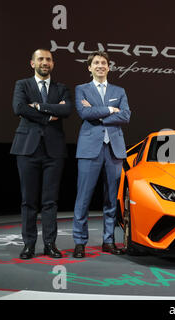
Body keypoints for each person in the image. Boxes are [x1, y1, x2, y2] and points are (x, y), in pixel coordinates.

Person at [11, 49, 73, 259]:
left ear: (52, 64)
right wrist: (48, 115)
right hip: (27, 148)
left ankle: (49, 244)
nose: (44, 62)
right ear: (32, 63)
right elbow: (19, 107)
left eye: (48, 59)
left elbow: (66, 110)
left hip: (53, 151)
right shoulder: (22, 84)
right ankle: (29, 245)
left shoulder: (61, 88)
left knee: (50, 201)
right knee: (28, 200)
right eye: (40, 59)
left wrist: (38, 106)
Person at [72, 51, 131, 258]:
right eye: (96, 63)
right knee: (83, 198)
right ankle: (80, 242)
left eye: (103, 63)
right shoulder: (82, 89)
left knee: (110, 200)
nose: (100, 66)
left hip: (114, 150)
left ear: (109, 67)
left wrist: (101, 113)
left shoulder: (119, 90)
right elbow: (84, 113)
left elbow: (126, 115)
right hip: (89, 149)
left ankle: (108, 240)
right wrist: (109, 109)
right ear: (89, 67)